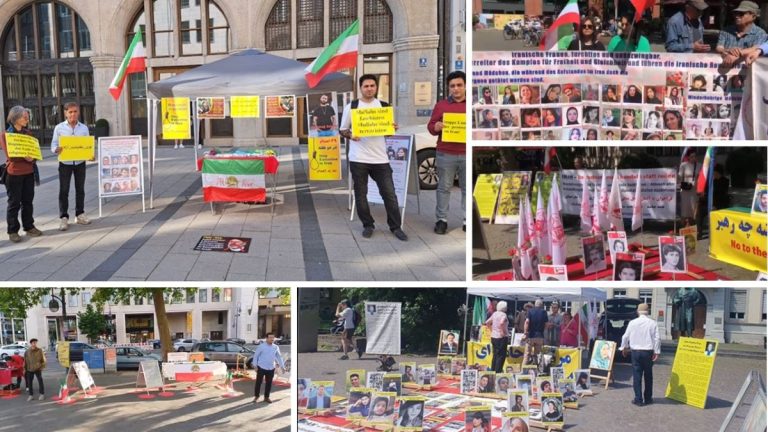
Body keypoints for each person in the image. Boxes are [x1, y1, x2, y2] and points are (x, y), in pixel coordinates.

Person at [340, 74, 407, 241]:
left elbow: (388, 132)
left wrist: (392, 128)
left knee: (389, 194)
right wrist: (351, 135)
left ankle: (395, 226)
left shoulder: (384, 107)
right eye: (366, 86)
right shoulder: (353, 106)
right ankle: (368, 225)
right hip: (358, 157)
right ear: (361, 88)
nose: (369, 89)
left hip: (380, 159)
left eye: (372, 86)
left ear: (376, 88)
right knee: (361, 194)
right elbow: (342, 130)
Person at [429, 71, 466, 235]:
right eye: (452, 86)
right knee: (444, 187)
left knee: (466, 188)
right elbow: (430, 127)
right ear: (448, 88)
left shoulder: (472, 104)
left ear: (465, 86)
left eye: (459, 85)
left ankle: (467, 220)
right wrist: (436, 127)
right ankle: (441, 220)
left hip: (466, 152)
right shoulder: (441, 105)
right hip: (446, 153)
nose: (456, 89)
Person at [2, 107, 42, 243]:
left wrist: (33, 158)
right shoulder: (6, 135)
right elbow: (11, 156)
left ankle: (29, 226)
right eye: (24, 117)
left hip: (29, 173)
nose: (27, 119)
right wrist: (26, 158)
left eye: (27, 116)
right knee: (14, 203)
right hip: (14, 174)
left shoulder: (28, 133)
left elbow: (35, 153)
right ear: (15, 118)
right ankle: (13, 231)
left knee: (27, 202)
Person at [51, 102, 93, 231]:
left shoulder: (84, 128)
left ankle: (79, 214)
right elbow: (54, 144)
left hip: (80, 163)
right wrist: (55, 149)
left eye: (75, 111)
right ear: (65, 113)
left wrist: (90, 155)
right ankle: (64, 217)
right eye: (70, 112)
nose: (73, 114)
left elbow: (87, 145)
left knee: (80, 189)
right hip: (65, 164)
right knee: (64, 190)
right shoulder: (59, 128)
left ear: (78, 112)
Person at [619, 303, 660, 406]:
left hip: (635, 352)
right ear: (648, 311)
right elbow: (657, 338)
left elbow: (625, 336)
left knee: (637, 376)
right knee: (648, 375)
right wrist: (657, 351)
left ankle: (638, 399)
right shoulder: (653, 323)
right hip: (648, 352)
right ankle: (648, 398)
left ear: (638, 311)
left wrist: (623, 347)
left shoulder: (632, 323)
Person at [716, 1, 767, 67]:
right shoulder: (725, 31)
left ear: (753, 16)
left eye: (741, 13)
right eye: (735, 13)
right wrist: (729, 50)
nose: (737, 16)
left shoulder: (760, 33)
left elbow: (755, 48)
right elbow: (719, 48)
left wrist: (737, 54)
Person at [251, 332, 285, 404]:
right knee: (258, 382)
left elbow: (279, 357)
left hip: (271, 368)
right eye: (270, 337)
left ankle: (266, 397)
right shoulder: (261, 346)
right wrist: (255, 365)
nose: (272, 339)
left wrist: (282, 366)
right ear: (266, 338)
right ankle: (256, 396)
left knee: (269, 383)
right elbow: (256, 356)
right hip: (261, 367)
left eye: (273, 338)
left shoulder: (275, 347)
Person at [486, 301, 509, 373]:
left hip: (493, 336)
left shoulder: (494, 313)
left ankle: (493, 370)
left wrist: (491, 329)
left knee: (495, 354)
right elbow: (502, 323)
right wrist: (503, 332)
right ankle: (498, 371)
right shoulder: (503, 315)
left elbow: (487, 322)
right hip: (501, 337)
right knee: (501, 355)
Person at [523, 300, 548, 365]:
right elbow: (546, 324)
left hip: (531, 335)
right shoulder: (544, 312)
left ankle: (524, 369)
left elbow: (527, 322)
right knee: (537, 354)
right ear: (541, 305)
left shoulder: (530, 311)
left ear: (535, 304)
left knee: (527, 354)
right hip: (540, 336)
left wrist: (525, 332)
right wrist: (543, 330)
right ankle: (537, 370)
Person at [678, 149, 697, 225]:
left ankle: (692, 231)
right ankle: (683, 230)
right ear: (688, 157)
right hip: (685, 191)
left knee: (693, 211)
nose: (693, 158)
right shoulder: (683, 165)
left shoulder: (699, 165)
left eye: (695, 156)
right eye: (691, 156)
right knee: (685, 212)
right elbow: (679, 178)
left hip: (695, 191)